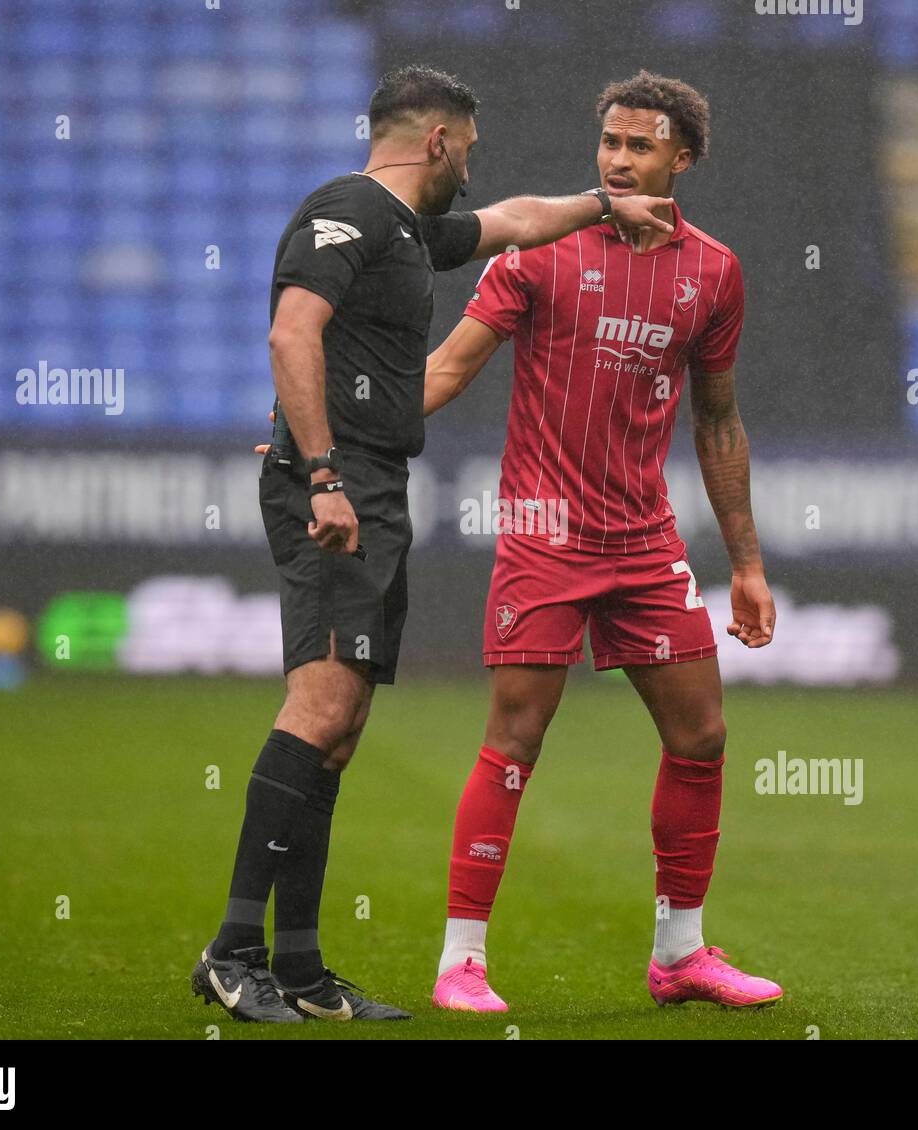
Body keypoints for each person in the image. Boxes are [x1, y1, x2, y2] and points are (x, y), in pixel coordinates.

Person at [194, 65, 677, 1024]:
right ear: (441, 143)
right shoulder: (349, 209)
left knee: (340, 733)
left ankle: (298, 966)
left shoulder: (412, 231)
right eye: (470, 152)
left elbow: (517, 220)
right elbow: (293, 335)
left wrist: (607, 202)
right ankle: (232, 951)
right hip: (339, 487)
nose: (472, 172)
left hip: (372, 479)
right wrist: (320, 471)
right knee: (320, 707)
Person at [421, 71, 783, 1013]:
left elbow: (718, 422)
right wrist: (328, 428)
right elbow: (451, 368)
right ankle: (462, 961)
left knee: (702, 734)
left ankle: (680, 955)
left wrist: (745, 564)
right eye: (610, 143)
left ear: (683, 157)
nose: (619, 160)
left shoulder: (714, 271)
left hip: (645, 541)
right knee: (516, 738)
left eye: (640, 146)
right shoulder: (542, 249)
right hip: (544, 533)